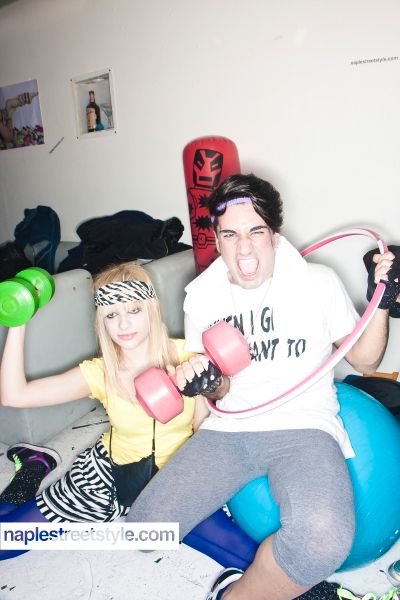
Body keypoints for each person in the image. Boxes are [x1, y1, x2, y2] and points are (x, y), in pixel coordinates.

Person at [126, 173, 400, 600]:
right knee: (144, 532)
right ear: (216, 239)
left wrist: (381, 302)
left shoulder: (317, 282)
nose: (244, 249)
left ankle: (237, 593)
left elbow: (365, 361)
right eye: (230, 234)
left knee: (321, 543)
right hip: (228, 430)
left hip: (303, 427)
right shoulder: (202, 296)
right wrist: (209, 385)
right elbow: (216, 394)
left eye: (256, 232)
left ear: (275, 234)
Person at [0, 261, 207, 559]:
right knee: (7, 541)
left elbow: (202, 430)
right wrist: (17, 319)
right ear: (102, 321)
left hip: (173, 476)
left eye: (133, 310)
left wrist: (200, 388)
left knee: (223, 541)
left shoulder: (188, 354)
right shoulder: (100, 372)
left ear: (151, 309)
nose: (123, 325)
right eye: (112, 315)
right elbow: (14, 396)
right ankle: (32, 470)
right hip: (108, 476)